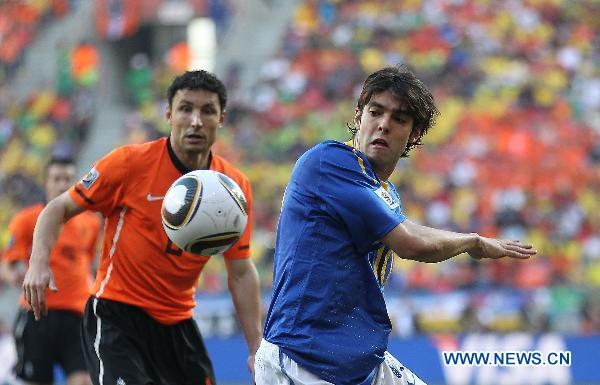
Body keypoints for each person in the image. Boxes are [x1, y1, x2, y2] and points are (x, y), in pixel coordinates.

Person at [255, 65, 537, 385]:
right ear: (359, 116)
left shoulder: (385, 192)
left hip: (354, 359)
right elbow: (410, 243)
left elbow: (409, 229)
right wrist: (471, 242)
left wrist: (474, 239)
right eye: (376, 112)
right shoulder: (330, 161)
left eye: (399, 119)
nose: (384, 125)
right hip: (304, 358)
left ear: (414, 134)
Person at [23, 70, 262, 385]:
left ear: (221, 118)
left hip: (178, 324)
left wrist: (255, 347)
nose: (195, 121)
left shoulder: (232, 188)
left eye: (207, 111)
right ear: (169, 115)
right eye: (185, 109)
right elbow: (58, 207)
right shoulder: (129, 164)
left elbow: (241, 271)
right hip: (116, 317)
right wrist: (38, 262)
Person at [0, 156, 101, 385]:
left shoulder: (90, 223)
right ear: (46, 182)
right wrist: (14, 275)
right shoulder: (26, 220)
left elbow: (88, 262)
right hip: (37, 314)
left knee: (84, 380)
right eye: (56, 178)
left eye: (68, 178)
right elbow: (6, 264)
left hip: (77, 316)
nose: (62, 184)